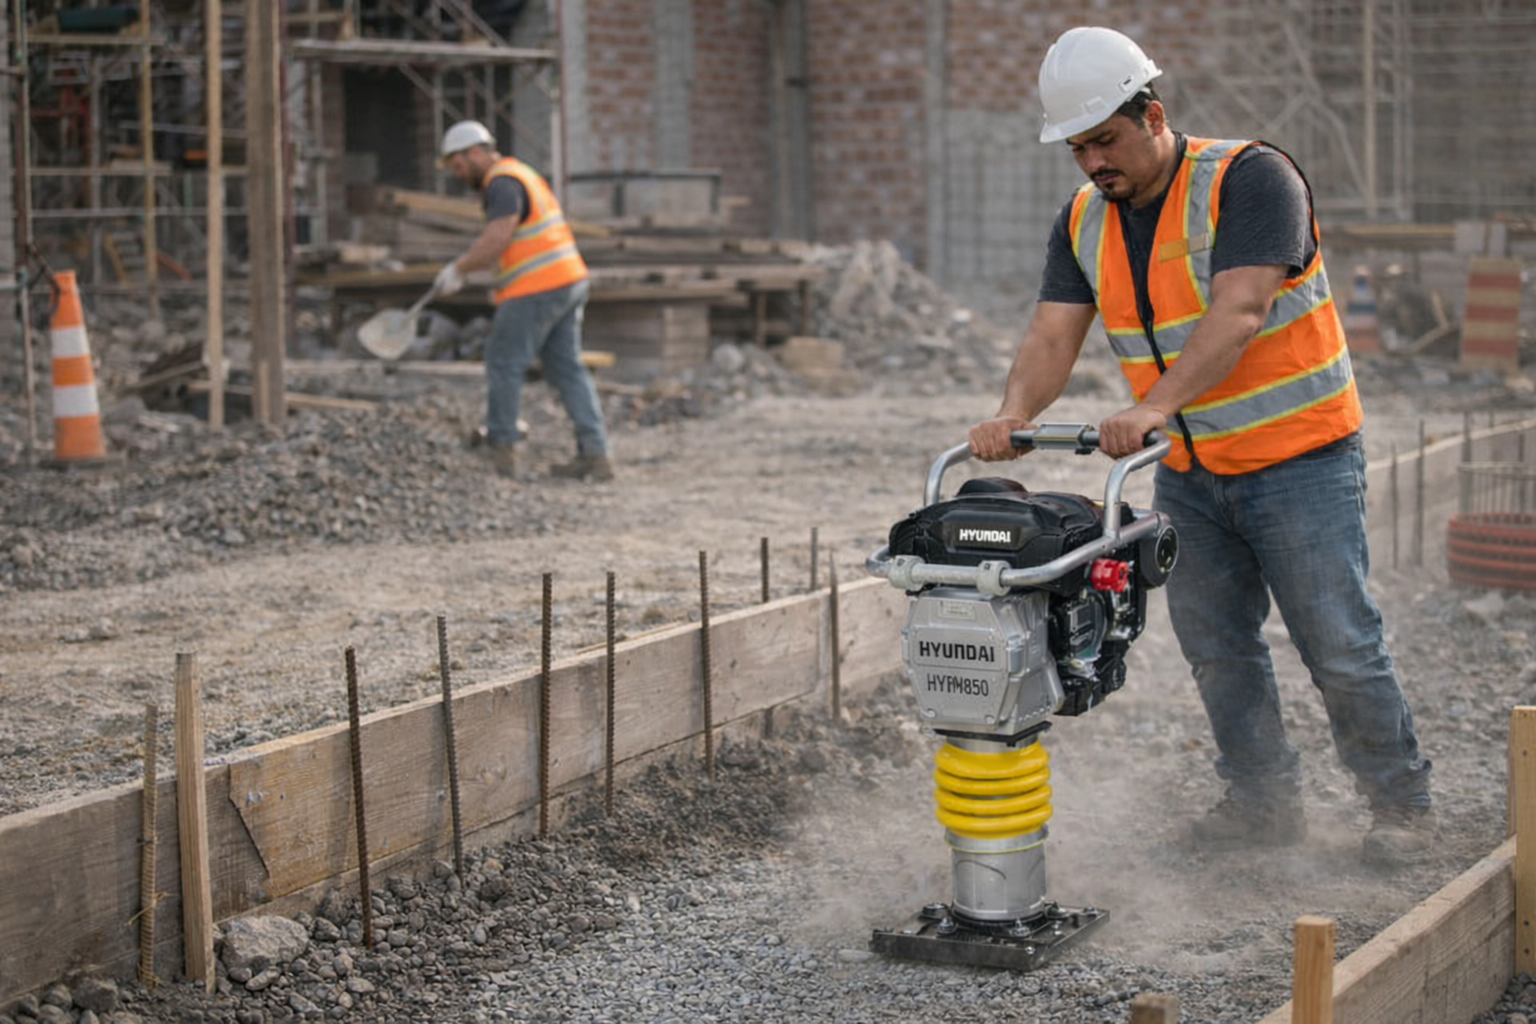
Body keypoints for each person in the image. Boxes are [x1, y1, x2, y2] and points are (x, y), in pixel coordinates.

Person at [967, 27, 1433, 866]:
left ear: (1153, 116)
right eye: (1077, 149)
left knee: (1339, 644)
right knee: (1219, 651)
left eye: (1105, 141)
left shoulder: (1250, 179)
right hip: (1189, 470)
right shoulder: (1083, 220)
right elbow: (1051, 336)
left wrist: (1152, 407)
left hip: (1301, 460)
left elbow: (1241, 311)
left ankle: (1399, 803)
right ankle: (1262, 805)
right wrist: (1011, 414)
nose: (1092, 163)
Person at [435, 119, 613, 481]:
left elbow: (498, 236)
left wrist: (459, 268)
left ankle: (501, 452)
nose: (458, 174)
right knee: (567, 368)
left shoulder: (500, 183)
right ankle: (595, 454)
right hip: (568, 279)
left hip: (538, 287)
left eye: (458, 165)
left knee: (503, 360)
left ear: (475, 152)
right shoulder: (521, 174)